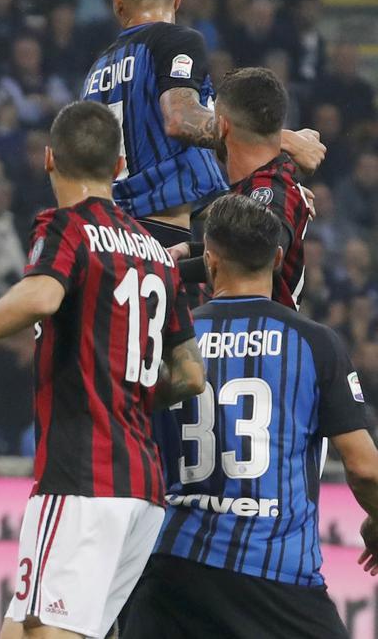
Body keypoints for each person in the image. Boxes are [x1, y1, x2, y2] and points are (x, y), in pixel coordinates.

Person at [0, 102, 205, 639]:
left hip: (81, 476)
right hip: (142, 488)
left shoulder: (66, 227)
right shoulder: (157, 255)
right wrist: (130, 389)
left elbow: (43, 294)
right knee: (27, 628)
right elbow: (191, 375)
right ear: (120, 166)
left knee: (39, 631)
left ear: (49, 159)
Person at [123, 193, 378, 638]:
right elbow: (364, 469)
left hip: (172, 570)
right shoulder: (315, 343)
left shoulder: (170, 337)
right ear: (279, 258)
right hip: (275, 574)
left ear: (211, 261)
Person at [81, 0, 322, 247]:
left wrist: (275, 194)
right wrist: (283, 139)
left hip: (104, 238)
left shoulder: (96, 72)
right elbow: (180, 120)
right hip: (158, 238)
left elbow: (178, 164)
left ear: (117, 2)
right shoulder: (174, 40)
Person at [172, 67, 312, 310]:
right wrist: (188, 249)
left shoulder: (270, 188)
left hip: (261, 339)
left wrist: (166, 270)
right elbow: (240, 243)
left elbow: (251, 254)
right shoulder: (258, 184)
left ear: (222, 126)